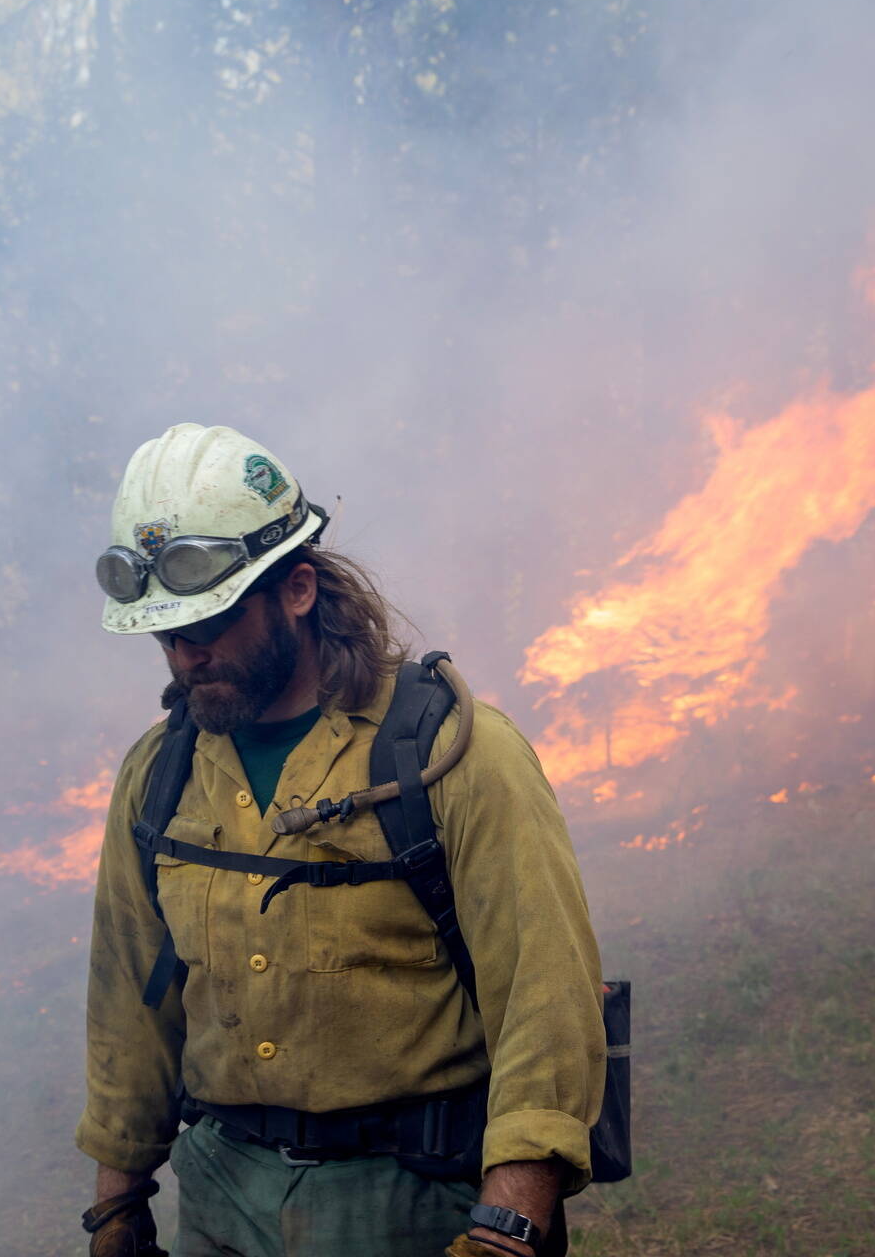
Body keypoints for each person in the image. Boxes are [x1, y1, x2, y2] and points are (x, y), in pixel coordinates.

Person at [76, 423, 606, 1257]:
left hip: (410, 1202)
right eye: (166, 632)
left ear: (297, 589)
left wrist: (507, 1226)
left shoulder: (450, 757)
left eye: (211, 619)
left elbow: (548, 1005)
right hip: (218, 1197)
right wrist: (116, 1206)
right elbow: (127, 1009)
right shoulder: (157, 777)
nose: (185, 654)